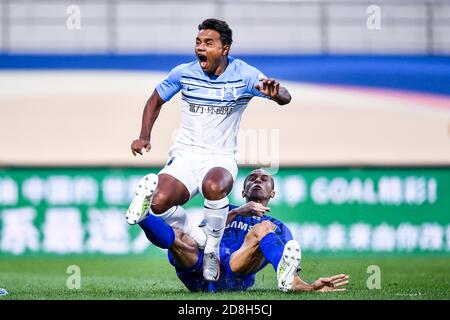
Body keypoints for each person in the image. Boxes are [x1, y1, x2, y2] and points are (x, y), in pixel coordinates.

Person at [126, 18, 292, 282]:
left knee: (214, 186)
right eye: (198, 42)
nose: (200, 48)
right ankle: (202, 237)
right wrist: (143, 136)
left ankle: (212, 249)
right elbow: (155, 100)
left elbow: (284, 96)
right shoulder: (184, 72)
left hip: (220, 157)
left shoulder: (244, 74)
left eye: (208, 43)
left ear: (225, 49)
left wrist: (275, 93)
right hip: (185, 155)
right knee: (158, 202)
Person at [136, 169, 349, 293]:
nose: (257, 180)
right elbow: (201, 236)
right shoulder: (225, 210)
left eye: (263, 179)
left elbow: (290, 263)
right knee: (178, 233)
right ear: (243, 191)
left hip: (233, 276)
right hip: (199, 269)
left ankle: (286, 283)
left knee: (264, 228)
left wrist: (310, 287)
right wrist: (238, 212)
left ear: (272, 193)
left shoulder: (279, 227)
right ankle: (143, 217)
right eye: (252, 179)